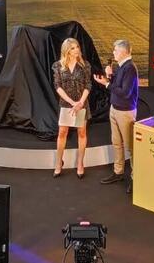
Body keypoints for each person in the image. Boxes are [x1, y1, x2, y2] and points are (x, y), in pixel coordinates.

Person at [93, 40, 139, 185]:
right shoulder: (121, 66)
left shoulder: (130, 68)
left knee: (130, 147)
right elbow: (118, 85)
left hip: (125, 112)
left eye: (116, 51)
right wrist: (111, 76)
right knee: (117, 143)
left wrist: (106, 83)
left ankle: (135, 178)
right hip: (115, 109)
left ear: (123, 52)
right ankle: (118, 172)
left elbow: (125, 93)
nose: (113, 53)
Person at [52, 38, 91, 179]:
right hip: (66, 105)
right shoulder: (58, 66)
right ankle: (58, 162)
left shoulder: (85, 65)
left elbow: (88, 85)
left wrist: (80, 102)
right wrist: (71, 102)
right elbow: (57, 86)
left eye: (77, 47)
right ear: (67, 50)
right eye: (73, 48)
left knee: (82, 133)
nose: (77, 50)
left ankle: (80, 163)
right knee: (62, 133)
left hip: (81, 104)